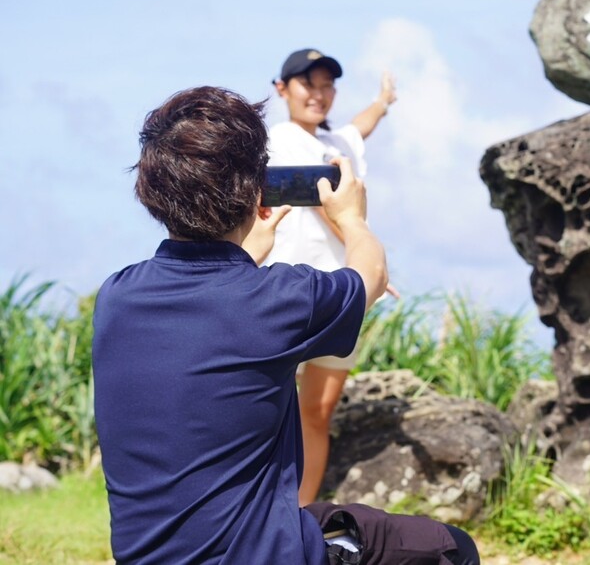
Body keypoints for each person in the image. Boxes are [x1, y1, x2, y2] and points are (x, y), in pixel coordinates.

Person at [92, 86, 478, 565]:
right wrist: (353, 219)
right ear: (256, 189)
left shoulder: (117, 296)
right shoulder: (280, 300)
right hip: (262, 555)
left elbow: (214, 305)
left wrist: (241, 254)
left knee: (326, 517)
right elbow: (371, 276)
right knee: (449, 548)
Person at [265, 48, 398, 505]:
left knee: (317, 413)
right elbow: (327, 206)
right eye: (308, 84)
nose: (318, 95)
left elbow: (358, 129)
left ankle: (301, 515)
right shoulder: (280, 137)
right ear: (282, 89)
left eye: (327, 86)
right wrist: (370, 255)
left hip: (341, 291)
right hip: (290, 288)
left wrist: (383, 101)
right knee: (273, 410)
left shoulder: (335, 142)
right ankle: (267, 514)